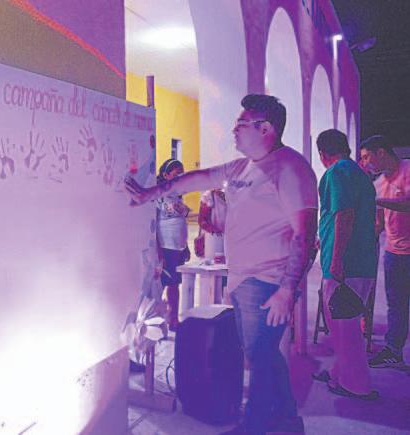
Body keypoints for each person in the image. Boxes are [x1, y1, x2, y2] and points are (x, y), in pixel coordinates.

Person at [125, 94, 317, 435]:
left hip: (269, 280)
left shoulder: (291, 168)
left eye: (241, 124)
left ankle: (255, 426)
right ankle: (287, 419)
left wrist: (288, 290)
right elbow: (199, 178)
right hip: (241, 277)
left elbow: (305, 234)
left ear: (266, 129)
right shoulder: (241, 167)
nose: (234, 130)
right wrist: (150, 193)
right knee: (263, 353)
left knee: (259, 357)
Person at [312, 129, 379, 400]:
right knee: (345, 321)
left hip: (346, 263)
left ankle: (356, 385)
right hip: (362, 261)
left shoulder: (337, 172)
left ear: (322, 153)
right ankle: (339, 372)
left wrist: (337, 259)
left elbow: (344, 214)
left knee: (344, 326)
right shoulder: (359, 174)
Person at [360, 135, 410, 368]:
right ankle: (393, 351)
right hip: (394, 253)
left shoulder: (407, 170)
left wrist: (378, 201)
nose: (365, 163)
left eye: (366, 157)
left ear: (381, 152)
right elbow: (378, 224)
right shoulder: (378, 184)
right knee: (396, 304)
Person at [155, 158, 190, 331]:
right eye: (176, 174)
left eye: (182, 174)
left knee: (175, 284)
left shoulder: (177, 195)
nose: (180, 177)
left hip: (178, 247)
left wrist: (186, 246)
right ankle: (155, 322)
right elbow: (153, 224)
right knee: (160, 285)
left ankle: (173, 319)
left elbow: (181, 222)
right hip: (165, 247)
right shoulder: (158, 196)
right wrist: (158, 250)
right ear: (165, 175)